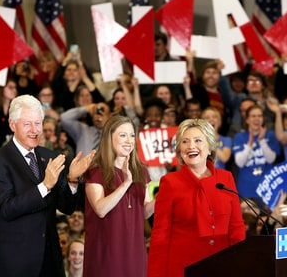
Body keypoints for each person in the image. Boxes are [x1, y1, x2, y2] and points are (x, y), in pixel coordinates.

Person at [0, 95, 95, 276]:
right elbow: (6, 208)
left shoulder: (48, 155)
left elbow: (66, 207)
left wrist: (72, 180)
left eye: (38, 123)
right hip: (15, 262)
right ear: (13, 125)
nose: (35, 130)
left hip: (49, 260)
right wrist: (44, 186)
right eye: (27, 124)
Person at [148, 119, 246, 277]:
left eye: (198, 140)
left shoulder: (226, 178)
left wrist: (240, 265)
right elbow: (160, 234)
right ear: (180, 149)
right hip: (183, 267)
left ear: (210, 147)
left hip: (222, 266)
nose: (190, 146)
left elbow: (236, 228)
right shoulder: (170, 182)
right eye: (184, 142)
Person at [84, 115, 154, 277]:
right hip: (106, 251)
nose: (128, 140)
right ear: (109, 138)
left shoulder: (141, 171)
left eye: (131, 135)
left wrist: (161, 198)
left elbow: (144, 212)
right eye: (123, 135)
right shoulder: (96, 170)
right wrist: (125, 183)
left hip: (134, 251)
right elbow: (100, 209)